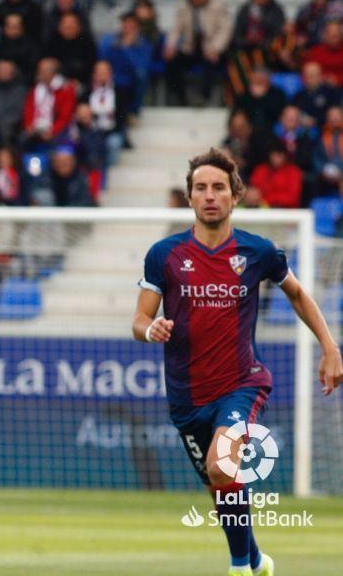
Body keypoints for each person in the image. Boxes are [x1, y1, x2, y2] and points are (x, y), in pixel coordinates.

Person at [132, 148, 342, 576]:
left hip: (242, 383)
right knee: (220, 485)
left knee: (220, 465)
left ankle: (238, 569)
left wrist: (330, 346)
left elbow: (299, 296)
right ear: (189, 197)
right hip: (187, 394)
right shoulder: (164, 255)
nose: (210, 195)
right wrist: (149, 329)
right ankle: (257, 559)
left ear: (235, 195)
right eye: (201, 188)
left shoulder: (258, 251)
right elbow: (140, 318)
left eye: (219, 187)